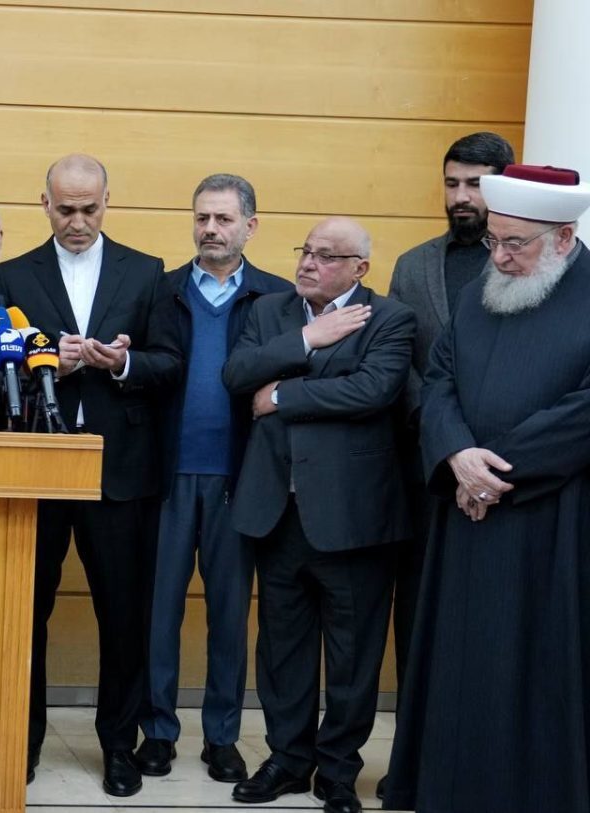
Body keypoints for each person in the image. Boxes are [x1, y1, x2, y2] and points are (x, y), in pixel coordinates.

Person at [384, 165, 590, 813]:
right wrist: (456, 453)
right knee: (461, 660)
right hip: (465, 514)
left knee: (535, 664)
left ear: (563, 238)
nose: (497, 256)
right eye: (493, 241)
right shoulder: (483, 290)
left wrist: (496, 471)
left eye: (514, 244)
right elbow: (439, 376)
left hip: (550, 520)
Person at [0, 153, 183, 797]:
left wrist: (121, 364)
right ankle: (21, 741)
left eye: (90, 209)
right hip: (38, 469)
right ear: (44, 205)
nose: (78, 222)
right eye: (66, 209)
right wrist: (52, 362)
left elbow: (170, 363)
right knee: (27, 613)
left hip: (119, 468)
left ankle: (118, 747)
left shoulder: (146, 271)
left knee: (123, 617)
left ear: (108, 203)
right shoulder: (13, 275)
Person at [222, 217, 415, 813]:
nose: (308, 263)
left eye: (327, 256)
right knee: (282, 648)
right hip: (276, 511)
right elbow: (236, 375)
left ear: (360, 268)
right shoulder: (269, 311)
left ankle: (337, 770)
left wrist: (282, 394)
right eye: (306, 251)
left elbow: (373, 390)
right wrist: (308, 339)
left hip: (353, 518)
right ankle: (288, 759)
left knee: (353, 655)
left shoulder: (390, 318)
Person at [137, 174, 292, 782]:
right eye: (202, 217)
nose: (210, 229)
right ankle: (157, 732)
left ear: (250, 226)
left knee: (229, 616)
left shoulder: (276, 298)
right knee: (160, 614)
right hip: (168, 477)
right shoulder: (163, 290)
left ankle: (222, 737)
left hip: (240, 479)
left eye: (223, 219)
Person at [379, 131, 513, 798]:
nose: (461, 197)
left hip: (509, 479)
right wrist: (447, 445)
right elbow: (399, 366)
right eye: (452, 183)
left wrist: (483, 461)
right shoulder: (412, 266)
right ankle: (416, 767)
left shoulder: (528, 263)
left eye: (475, 184)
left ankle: (492, 763)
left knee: (497, 626)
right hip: (428, 476)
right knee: (420, 623)